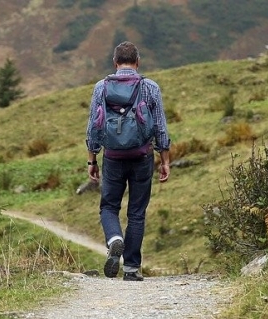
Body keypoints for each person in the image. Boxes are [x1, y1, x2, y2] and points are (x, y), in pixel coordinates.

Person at [85, 41, 170, 281]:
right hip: (142, 156)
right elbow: (161, 127)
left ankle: (114, 239)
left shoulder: (101, 87)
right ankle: (132, 268)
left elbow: (93, 125)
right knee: (137, 212)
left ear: (115, 63)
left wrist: (92, 159)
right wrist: (164, 160)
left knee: (109, 206)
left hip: (112, 157)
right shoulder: (150, 87)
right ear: (137, 62)